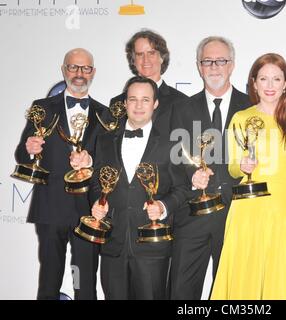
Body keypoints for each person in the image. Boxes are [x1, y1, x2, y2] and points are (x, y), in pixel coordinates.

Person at [210, 53, 286, 300]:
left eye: (276, 79)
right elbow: (232, 168)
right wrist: (242, 166)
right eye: (264, 79)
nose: (270, 86)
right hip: (248, 210)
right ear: (254, 83)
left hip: (285, 209)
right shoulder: (240, 118)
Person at [14, 48, 109, 300]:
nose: (79, 74)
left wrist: (91, 159)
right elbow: (22, 157)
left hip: (87, 212)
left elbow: (110, 163)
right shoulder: (42, 108)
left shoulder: (104, 114)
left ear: (94, 72)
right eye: (73, 67)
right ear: (64, 70)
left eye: (85, 68)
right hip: (50, 207)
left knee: (85, 283)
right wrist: (30, 149)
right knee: (48, 282)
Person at [89, 76, 189, 300]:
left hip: (151, 248)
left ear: (155, 104)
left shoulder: (170, 143)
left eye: (145, 100)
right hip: (112, 244)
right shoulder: (105, 140)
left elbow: (182, 188)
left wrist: (163, 206)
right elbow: (97, 182)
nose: (138, 106)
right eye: (133, 99)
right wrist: (97, 201)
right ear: (125, 103)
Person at [169, 36, 251, 299]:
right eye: (208, 61)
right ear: (198, 66)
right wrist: (192, 175)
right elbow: (175, 156)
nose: (214, 67)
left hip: (236, 216)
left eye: (221, 61)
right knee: (181, 293)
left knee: (233, 295)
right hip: (192, 214)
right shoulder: (182, 109)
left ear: (232, 65)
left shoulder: (252, 107)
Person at [109, 29, 187, 135]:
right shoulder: (118, 102)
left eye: (151, 53)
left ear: (162, 58)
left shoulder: (181, 102)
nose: (146, 60)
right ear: (133, 60)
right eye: (140, 54)